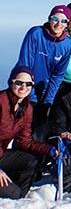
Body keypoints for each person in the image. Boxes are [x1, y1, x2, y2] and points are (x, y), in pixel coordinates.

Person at [16, 4, 71, 135]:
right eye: (55, 18)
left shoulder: (67, 44)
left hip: (43, 91)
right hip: (24, 89)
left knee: (39, 130)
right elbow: (25, 65)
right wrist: (32, 98)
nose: (59, 23)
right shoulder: (36, 33)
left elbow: (58, 75)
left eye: (64, 20)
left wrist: (48, 101)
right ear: (49, 19)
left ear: (67, 24)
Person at [0, 66, 56, 199]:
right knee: (12, 193)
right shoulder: (1, 101)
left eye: (28, 84)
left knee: (31, 161)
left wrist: (48, 150)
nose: (23, 87)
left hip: (2, 155)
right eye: (18, 83)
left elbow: (24, 140)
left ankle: (19, 200)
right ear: (11, 83)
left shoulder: (26, 108)